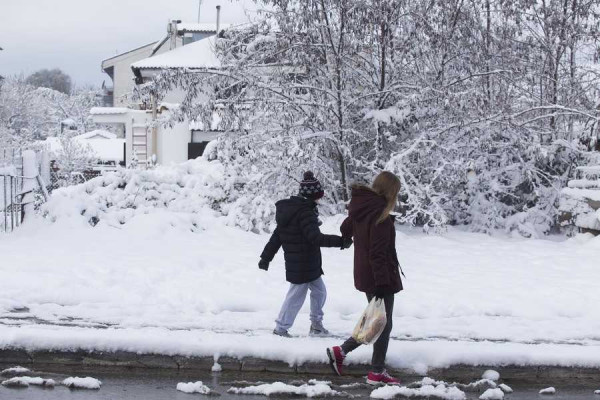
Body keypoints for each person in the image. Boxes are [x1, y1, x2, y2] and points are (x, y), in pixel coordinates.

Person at [326, 171, 403, 385]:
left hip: (366, 274)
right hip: (379, 278)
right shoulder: (381, 216)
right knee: (382, 323)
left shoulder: (362, 208)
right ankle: (375, 371)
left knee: (376, 320)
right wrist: (382, 283)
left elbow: (344, 229)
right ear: (391, 191)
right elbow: (377, 253)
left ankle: (342, 352)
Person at [259, 171, 353, 337]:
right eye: (319, 196)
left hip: (308, 264)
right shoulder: (304, 213)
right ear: (314, 196)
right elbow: (315, 238)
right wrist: (341, 241)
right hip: (301, 265)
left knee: (320, 292)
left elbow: (277, 236)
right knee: (295, 297)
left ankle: (316, 325)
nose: (320, 199)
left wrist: (266, 258)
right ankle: (280, 329)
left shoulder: (295, 211)